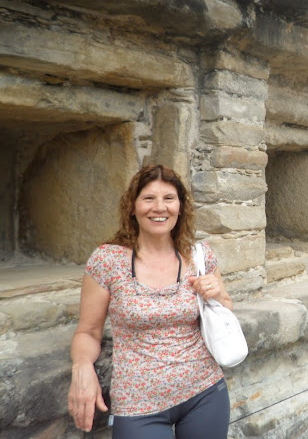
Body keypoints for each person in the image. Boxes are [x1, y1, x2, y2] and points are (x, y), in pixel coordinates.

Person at [67, 164, 234, 438]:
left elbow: (225, 307)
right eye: (148, 199)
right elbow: (87, 332)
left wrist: (217, 293)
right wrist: (82, 367)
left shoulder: (199, 256)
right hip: (138, 404)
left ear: (180, 207)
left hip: (205, 391)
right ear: (132, 207)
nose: (160, 207)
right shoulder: (108, 261)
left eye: (169, 199)